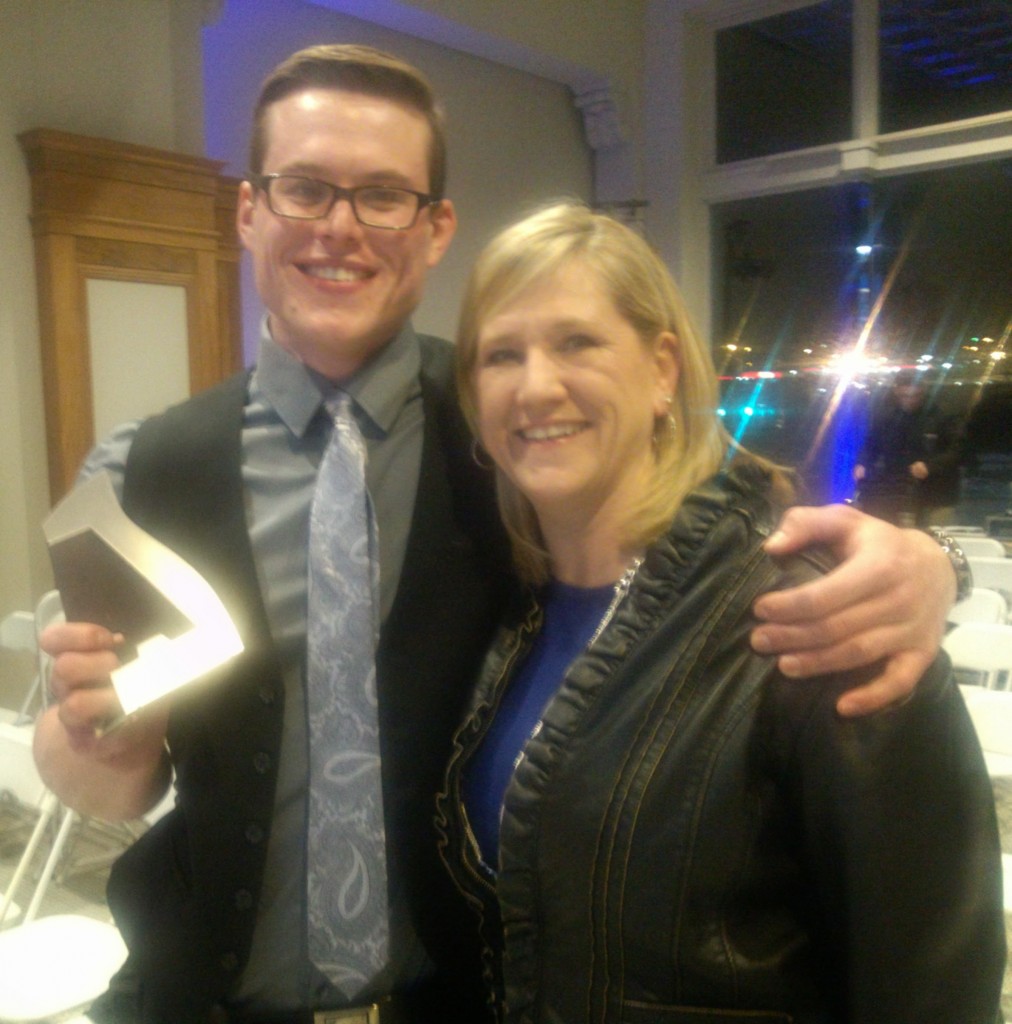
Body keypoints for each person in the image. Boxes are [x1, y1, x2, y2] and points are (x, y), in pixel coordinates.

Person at [32, 45, 969, 1024]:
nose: (339, 229)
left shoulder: (512, 440)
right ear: (248, 212)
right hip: (202, 997)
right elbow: (104, 781)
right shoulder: (145, 470)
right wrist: (89, 737)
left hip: (457, 1001)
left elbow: (699, 504)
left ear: (437, 229)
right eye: (303, 188)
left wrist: (913, 561)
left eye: (383, 195)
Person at [435, 202, 1005, 1023]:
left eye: (576, 342)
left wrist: (939, 560)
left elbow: (932, 987)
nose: (536, 386)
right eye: (501, 355)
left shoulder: (822, 618)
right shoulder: (511, 614)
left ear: (663, 369)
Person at [853, 368, 964, 527]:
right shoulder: (887, 415)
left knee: (931, 538)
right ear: (896, 392)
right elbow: (871, 444)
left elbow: (958, 451)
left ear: (923, 391)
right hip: (895, 490)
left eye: (915, 396)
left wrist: (930, 466)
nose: (910, 401)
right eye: (905, 396)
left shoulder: (942, 414)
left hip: (935, 492)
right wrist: (861, 463)